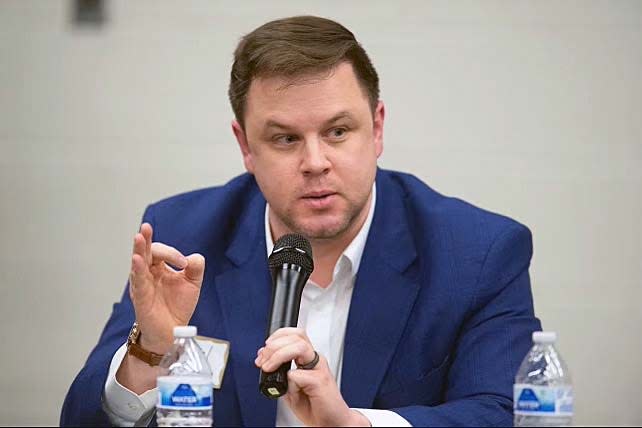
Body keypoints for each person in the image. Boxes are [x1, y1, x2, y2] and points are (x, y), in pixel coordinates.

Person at [61, 15, 541, 427]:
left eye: (337, 131)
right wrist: (150, 354)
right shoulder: (184, 235)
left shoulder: (476, 252)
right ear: (246, 146)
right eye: (285, 139)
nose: (315, 162)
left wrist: (356, 425)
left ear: (376, 128)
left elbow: (506, 413)